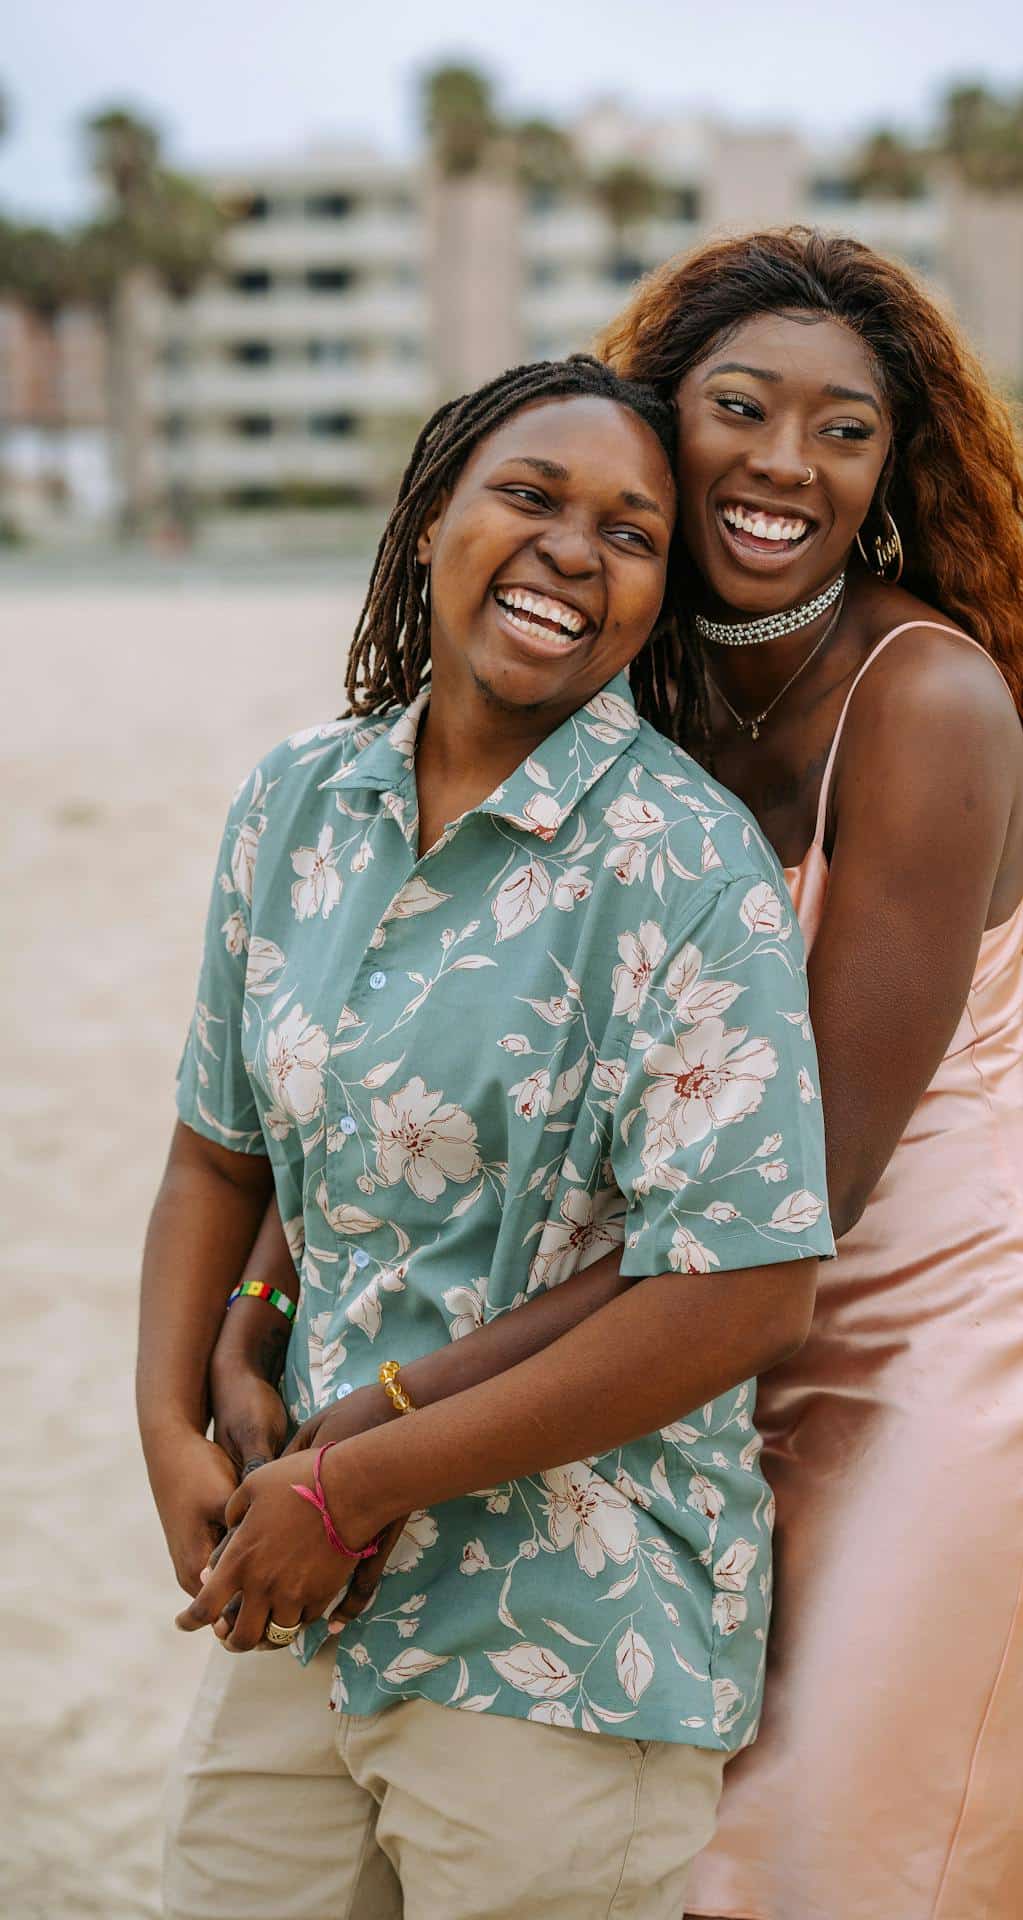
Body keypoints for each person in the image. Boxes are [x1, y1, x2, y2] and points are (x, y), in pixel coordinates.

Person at [215, 229, 1023, 1919]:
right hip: (663, 1342)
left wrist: (396, 1415)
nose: (788, 460)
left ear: (894, 468)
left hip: (923, 1327)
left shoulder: (925, 701)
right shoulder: (629, 675)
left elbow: (807, 1202)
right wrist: (266, 1296)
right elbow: (403, 1031)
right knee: (679, 1837)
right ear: (661, 424)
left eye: (846, 429)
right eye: (740, 408)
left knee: (854, 1836)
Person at [137, 354, 834, 1920]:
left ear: (664, 593)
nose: (574, 551)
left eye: (634, 532)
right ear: (432, 515)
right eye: (530, 495)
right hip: (296, 1592)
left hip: (574, 1621)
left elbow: (743, 1289)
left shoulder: (685, 865)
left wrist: (361, 1487)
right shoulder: (296, 804)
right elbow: (219, 1154)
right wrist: (172, 1423)